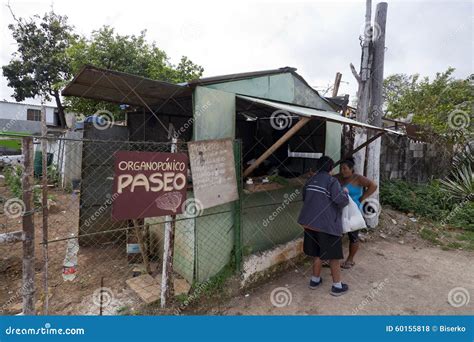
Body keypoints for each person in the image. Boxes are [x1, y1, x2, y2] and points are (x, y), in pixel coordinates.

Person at [298, 156, 350, 296]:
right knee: (333, 256)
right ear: (331, 169)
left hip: (309, 224)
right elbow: (340, 200)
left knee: (317, 252)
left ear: (318, 167)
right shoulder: (332, 181)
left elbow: (305, 198)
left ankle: (315, 280)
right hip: (326, 225)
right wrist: (345, 194)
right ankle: (337, 286)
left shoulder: (310, 181)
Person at [335, 157, 377, 269]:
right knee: (337, 235)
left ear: (351, 169)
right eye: (341, 168)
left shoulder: (358, 178)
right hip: (340, 211)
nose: (342, 171)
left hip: (354, 212)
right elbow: (327, 178)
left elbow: (373, 185)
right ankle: (334, 260)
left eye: (345, 168)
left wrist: (362, 197)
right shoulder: (338, 177)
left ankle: (350, 259)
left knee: (353, 236)